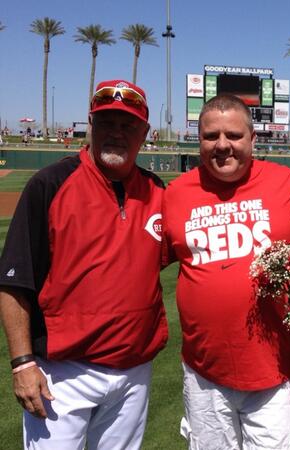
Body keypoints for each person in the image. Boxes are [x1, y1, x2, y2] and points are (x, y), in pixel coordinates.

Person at [0, 79, 168, 449]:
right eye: (107, 123)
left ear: (145, 133)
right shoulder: (51, 184)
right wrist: (22, 363)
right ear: (90, 125)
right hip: (63, 375)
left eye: (128, 125)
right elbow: (14, 282)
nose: (117, 134)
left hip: (134, 372)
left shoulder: (159, 192)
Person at [161, 94, 290, 449]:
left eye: (234, 135)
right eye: (211, 136)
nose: (222, 145)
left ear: (253, 140)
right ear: (199, 140)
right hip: (205, 374)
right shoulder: (176, 193)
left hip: (275, 373)